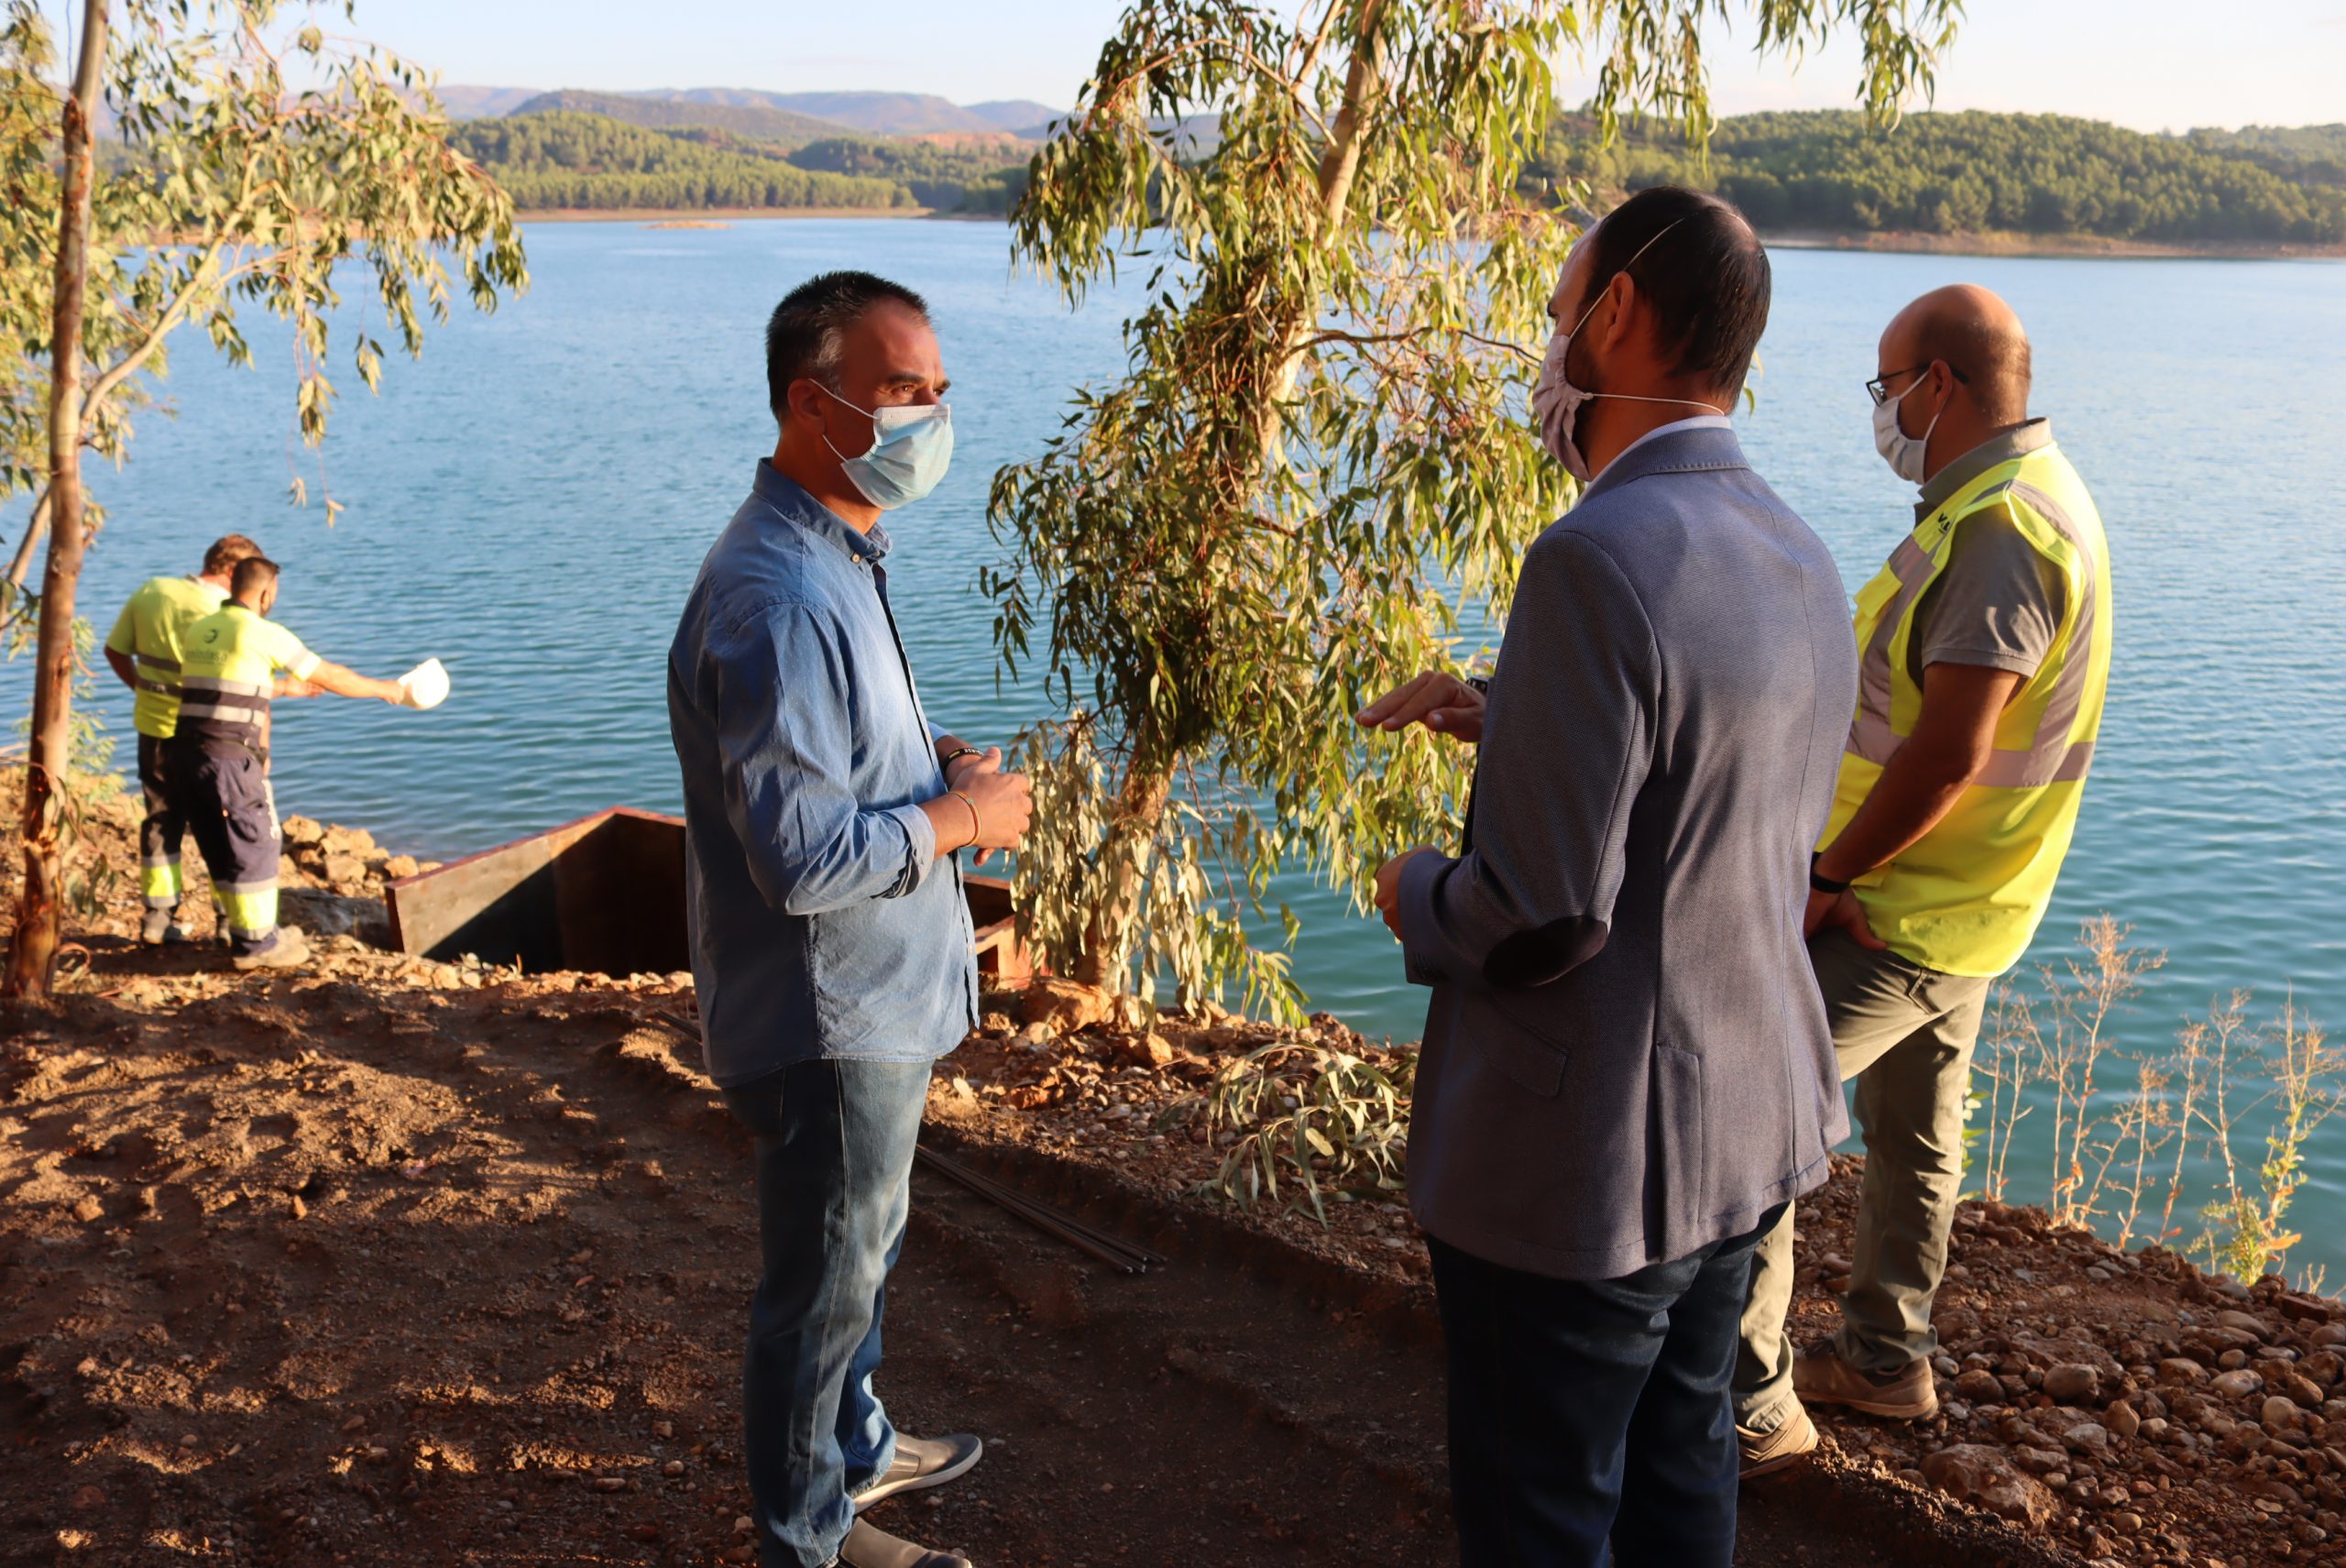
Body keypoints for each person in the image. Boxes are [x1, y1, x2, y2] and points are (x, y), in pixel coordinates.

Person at [1354, 187, 1858, 1567]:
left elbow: (1540, 917)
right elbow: (1717, 781)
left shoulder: (1589, 554)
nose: (1548, 350)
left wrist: (1414, 891)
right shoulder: (1798, 549)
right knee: (1682, 1465)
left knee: (1544, 1505)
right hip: (1748, 1122)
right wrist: (1517, 716)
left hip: (1592, 1167)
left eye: (1558, 311)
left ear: (1618, 313)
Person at [667, 270, 1033, 1568]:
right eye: (900, 391)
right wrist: (965, 819)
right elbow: (806, 857)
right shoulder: (776, 593)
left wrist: (931, 765)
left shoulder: (834, 551)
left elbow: (830, 763)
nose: (930, 416)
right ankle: (806, 1538)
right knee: (820, 1288)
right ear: (809, 404)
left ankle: (854, 1456)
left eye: (937, 389)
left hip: (876, 995)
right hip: (829, 1017)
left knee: (859, 1251)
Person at [1733, 285, 2112, 1472]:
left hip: (1895, 904)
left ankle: (1751, 1405)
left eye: (1885, 385)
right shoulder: (2031, 497)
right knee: (1913, 1135)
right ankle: (1886, 1360)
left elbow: (1948, 750)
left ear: (1938, 384)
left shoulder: (2001, 530)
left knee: (1746, 1116)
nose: (1882, 410)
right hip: (1972, 901)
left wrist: (1827, 868)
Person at [169, 556, 411, 970]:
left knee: (217, 840)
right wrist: (387, 689)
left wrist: (281, 688)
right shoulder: (263, 633)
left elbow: (226, 685)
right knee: (257, 843)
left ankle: (238, 931)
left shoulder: (201, 630)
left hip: (186, 753)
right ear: (266, 593)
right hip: (231, 759)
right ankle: (258, 946)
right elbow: (330, 674)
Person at [104, 533, 264, 945]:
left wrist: (143, 689)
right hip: (211, 739)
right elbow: (248, 684)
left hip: (155, 728)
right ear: (233, 572)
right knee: (221, 824)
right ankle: (229, 922)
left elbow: (115, 651)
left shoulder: (152, 591)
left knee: (161, 820)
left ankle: (157, 920)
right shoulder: (228, 615)